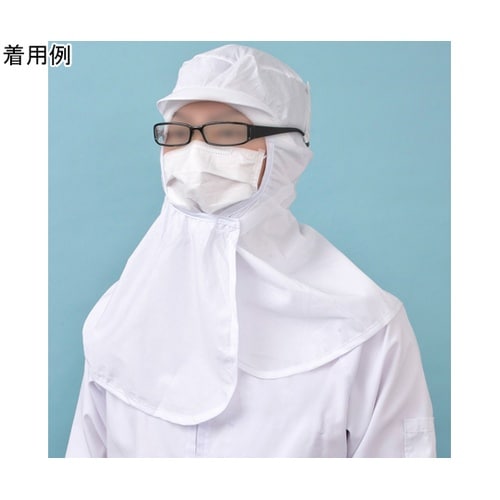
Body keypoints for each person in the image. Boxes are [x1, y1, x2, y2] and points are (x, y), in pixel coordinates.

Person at [65, 44, 436, 458]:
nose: (194, 152)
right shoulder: (118, 318)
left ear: (286, 152)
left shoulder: (367, 329)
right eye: (178, 133)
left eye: (227, 132)